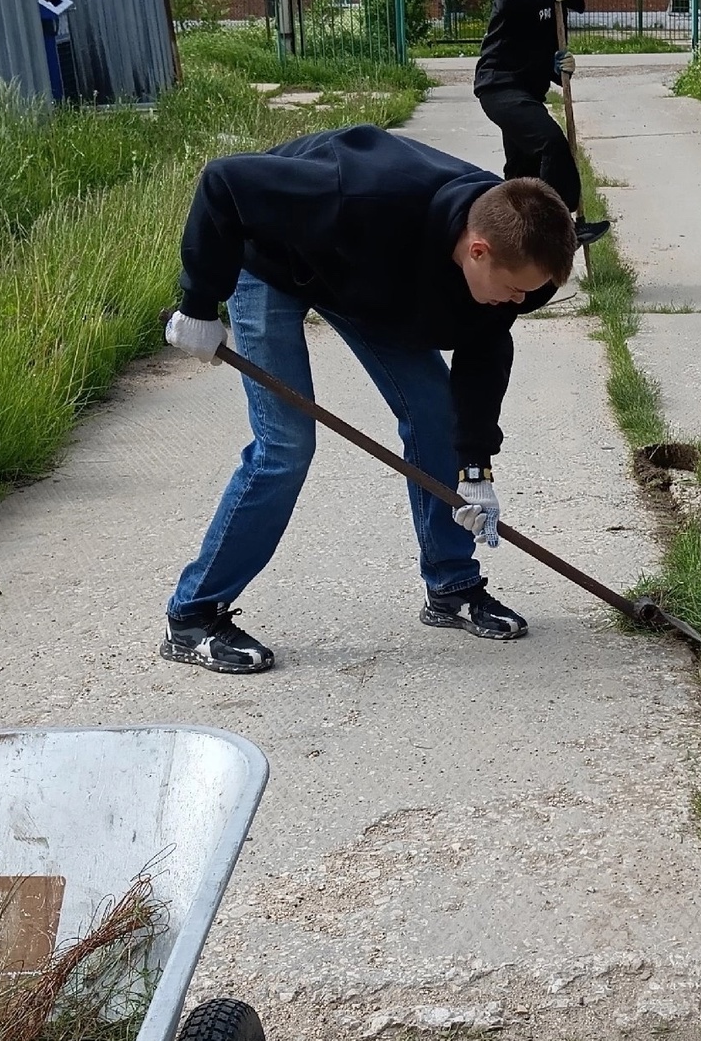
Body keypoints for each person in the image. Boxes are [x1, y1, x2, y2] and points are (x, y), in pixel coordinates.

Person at [160, 122, 577, 669]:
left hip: (365, 279)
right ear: (478, 251)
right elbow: (224, 183)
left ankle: (451, 587)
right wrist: (198, 302)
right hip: (275, 257)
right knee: (285, 446)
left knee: (433, 413)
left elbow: (484, 353)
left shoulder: (512, 267)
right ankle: (193, 615)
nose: (522, 302)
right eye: (516, 289)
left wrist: (475, 469)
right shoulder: (361, 194)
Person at [474, 0, 609, 247]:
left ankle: (513, 244)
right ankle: (561, 231)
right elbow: (509, 1)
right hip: (498, 85)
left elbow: (547, 54)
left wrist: (560, 68)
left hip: (527, 93)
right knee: (551, 144)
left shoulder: (559, 2)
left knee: (523, 176)